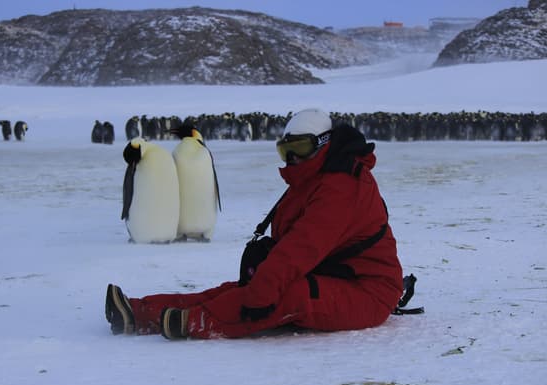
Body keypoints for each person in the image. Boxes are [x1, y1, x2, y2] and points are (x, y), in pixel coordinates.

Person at [105, 108, 404, 340]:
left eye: (298, 149)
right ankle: (139, 311)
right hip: (332, 275)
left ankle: (189, 322)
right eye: (285, 151)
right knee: (238, 290)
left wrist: (261, 293)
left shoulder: (341, 188)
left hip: (368, 291)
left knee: (282, 295)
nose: (291, 160)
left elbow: (299, 249)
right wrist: (258, 282)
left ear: (322, 145)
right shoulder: (315, 178)